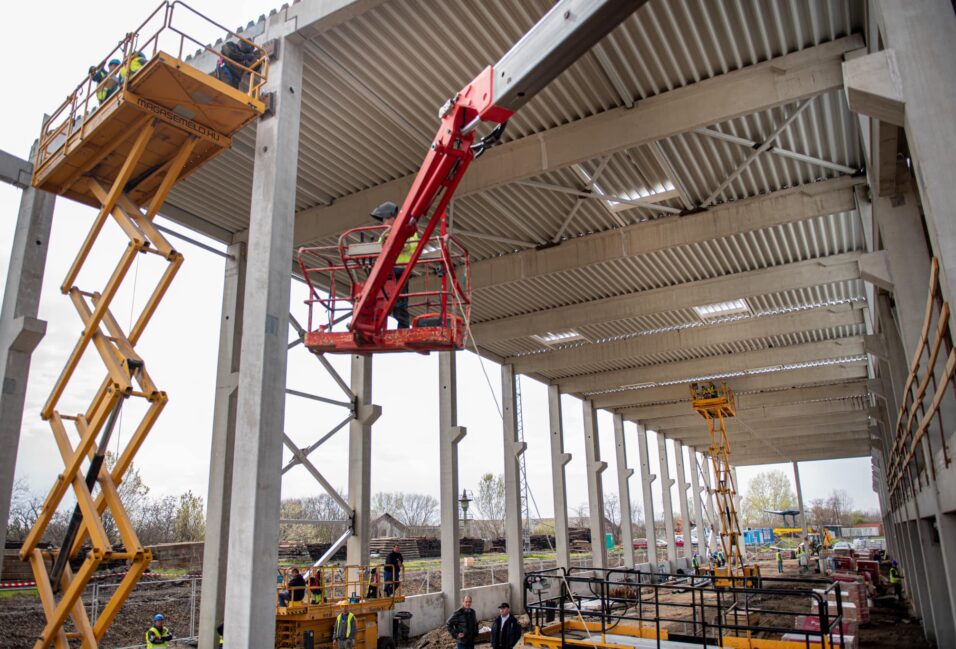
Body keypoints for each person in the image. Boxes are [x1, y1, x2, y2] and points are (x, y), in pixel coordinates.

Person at [371, 201, 419, 329]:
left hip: (402, 268)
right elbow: (378, 251)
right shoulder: (385, 234)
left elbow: (409, 246)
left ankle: (403, 326)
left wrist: (394, 238)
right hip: (388, 269)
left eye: (386, 219)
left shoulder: (409, 230)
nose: (384, 223)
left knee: (400, 301)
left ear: (393, 218)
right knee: (380, 298)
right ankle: (376, 324)